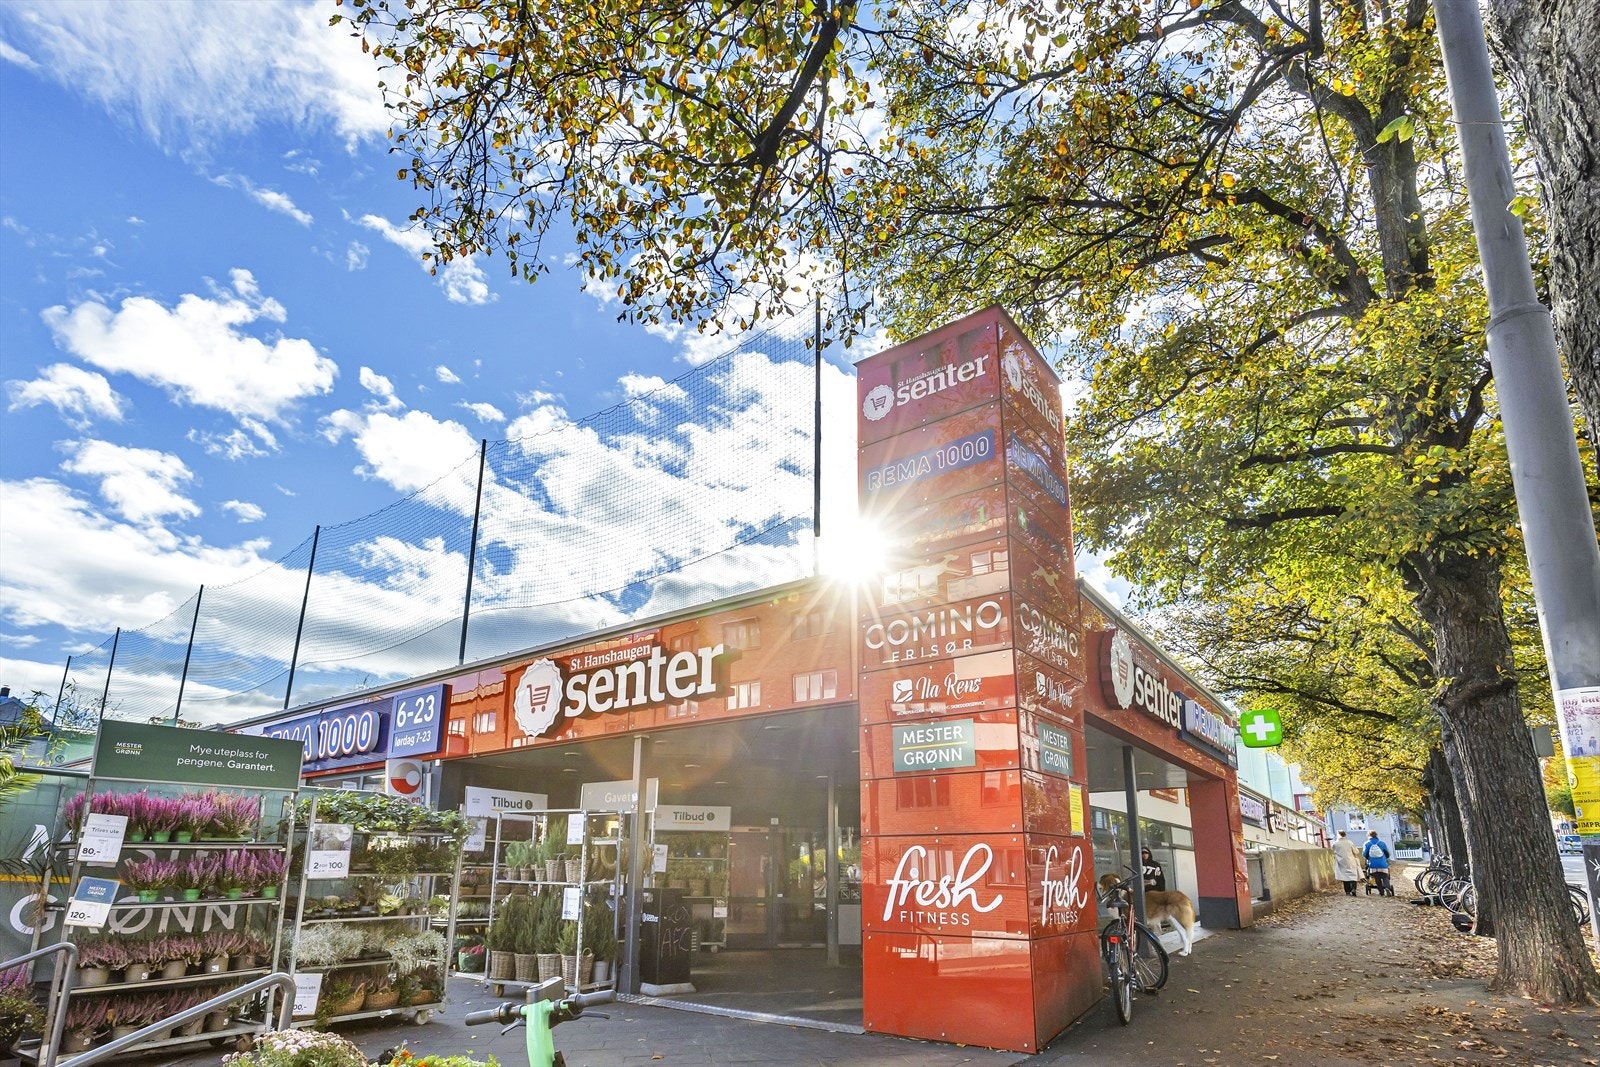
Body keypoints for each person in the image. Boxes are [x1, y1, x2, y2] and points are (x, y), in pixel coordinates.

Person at [1361, 830, 1392, 895]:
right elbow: (1388, 854)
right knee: (1385, 877)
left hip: (1373, 865)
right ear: (1376, 835)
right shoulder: (1382, 843)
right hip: (1383, 864)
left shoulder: (1367, 844)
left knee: (1377, 879)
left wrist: (1369, 859)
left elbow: (1364, 854)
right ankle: (1387, 887)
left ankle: (1381, 892)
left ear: (1368, 836)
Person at [1332, 830, 1362, 896]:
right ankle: (1353, 889)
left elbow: (1333, 851)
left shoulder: (1335, 844)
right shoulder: (1349, 842)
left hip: (1341, 862)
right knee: (1353, 875)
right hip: (1351, 861)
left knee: (1345, 876)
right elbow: (1356, 852)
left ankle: (1347, 891)